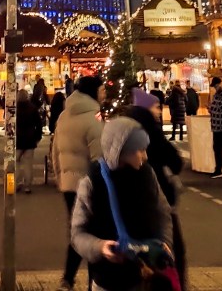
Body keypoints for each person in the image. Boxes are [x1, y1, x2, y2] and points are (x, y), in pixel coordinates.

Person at [71, 117, 174, 291]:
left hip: (148, 276)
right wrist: (100, 247)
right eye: (139, 150)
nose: (145, 155)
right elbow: (77, 234)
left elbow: (163, 213)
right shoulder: (92, 182)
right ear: (121, 150)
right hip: (107, 280)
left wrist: (164, 242)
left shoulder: (147, 175)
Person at [128, 89, 186, 290]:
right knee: (169, 249)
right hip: (158, 200)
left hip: (130, 204)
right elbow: (175, 160)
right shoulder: (151, 131)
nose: (160, 111)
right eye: (156, 106)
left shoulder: (125, 128)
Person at [52, 75, 104, 291]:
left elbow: (54, 151)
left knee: (77, 231)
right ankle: (94, 281)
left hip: (68, 184)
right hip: (89, 185)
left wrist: (60, 178)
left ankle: (68, 278)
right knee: (95, 232)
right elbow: (100, 158)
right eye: (101, 90)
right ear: (93, 92)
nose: (104, 94)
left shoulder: (64, 115)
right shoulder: (94, 117)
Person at [16, 89, 43, 193]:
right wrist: (37, 137)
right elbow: (39, 124)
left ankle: (17, 183)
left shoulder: (14, 108)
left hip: (18, 140)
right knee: (28, 164)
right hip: (30, 139)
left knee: (16, 163)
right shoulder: (32, 108)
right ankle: (27, 185)